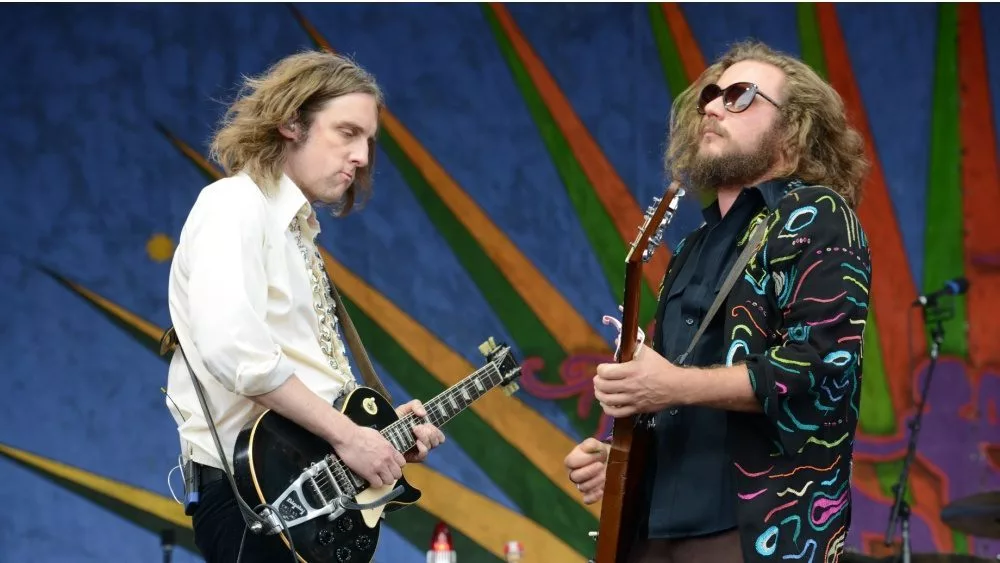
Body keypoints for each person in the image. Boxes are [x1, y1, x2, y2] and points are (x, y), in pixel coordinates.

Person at [565, 40, 870, 562]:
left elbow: (818, 366)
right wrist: (622, 455)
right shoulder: (691, 246)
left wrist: (669, 383)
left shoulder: (819, 215)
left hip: (757, 527)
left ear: (793, 131)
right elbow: (674, 391)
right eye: (710, 95)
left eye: (740, 95)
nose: (711, 106)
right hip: (654, 525)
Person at [162, 51, 446, 563]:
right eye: (347, 132)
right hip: (258, 498)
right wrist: (348, 437)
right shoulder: (235, 204)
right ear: (291, 122)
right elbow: (236, 352)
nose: (361, 155)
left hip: (303, 496)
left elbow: (296, 373)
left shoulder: (296, 233)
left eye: (369, 141)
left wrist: (374, 433)